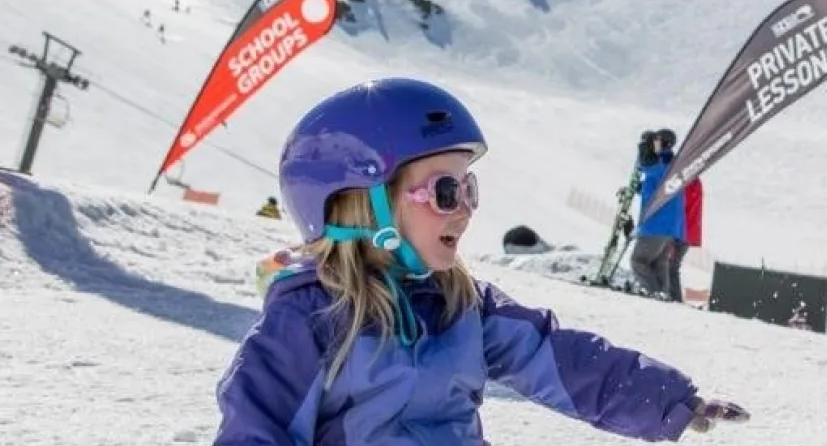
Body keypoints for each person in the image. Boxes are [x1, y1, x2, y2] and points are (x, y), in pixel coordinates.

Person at [212, 78, 750, 444]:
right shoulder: (311, 320)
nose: (465, 210)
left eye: (470, 188)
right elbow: (256, 428)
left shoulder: (462, 305)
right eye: (446, 191)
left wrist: (671, 400)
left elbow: (561, 361)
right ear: (359, 201)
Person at [631, 128, 689, 302]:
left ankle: (656, 294)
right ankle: (665, 295)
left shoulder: (662, 163)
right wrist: (638, 189)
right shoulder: (673, 165)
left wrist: (643, 147)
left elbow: (645, 167)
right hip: (670, 226)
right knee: (658, 263)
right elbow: (655, 188)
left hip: (657, 224)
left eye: (656, 141)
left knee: (638, 260)